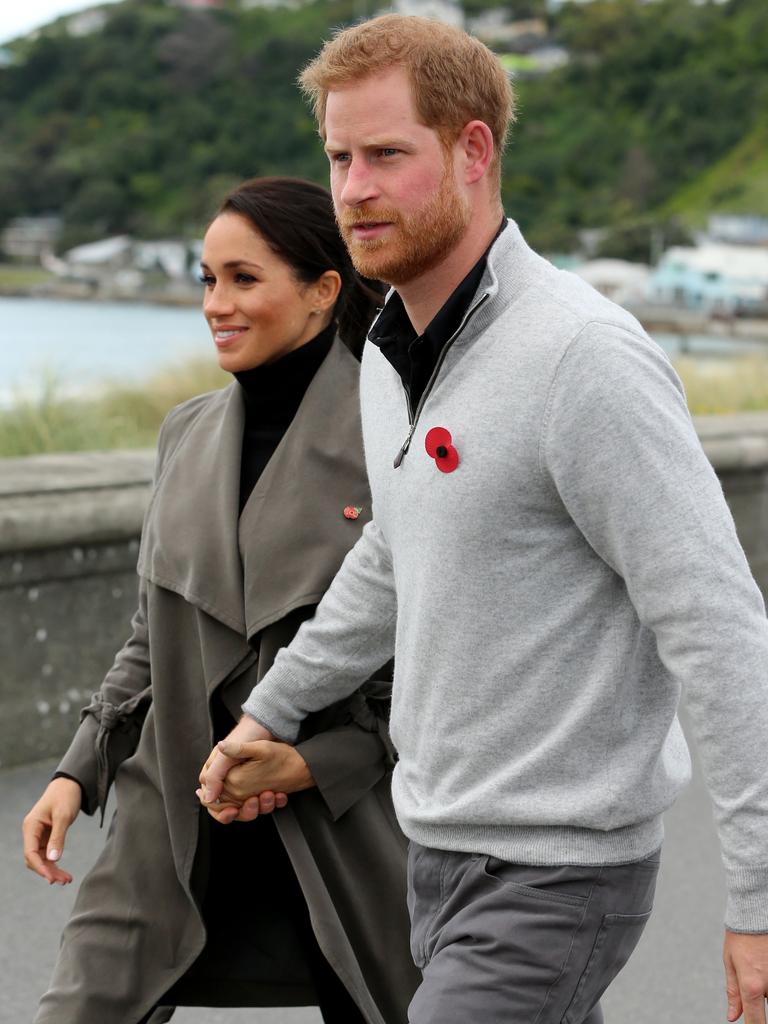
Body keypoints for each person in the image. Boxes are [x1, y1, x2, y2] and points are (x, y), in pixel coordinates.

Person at [199, 15, 768, 1024]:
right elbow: (395, 552)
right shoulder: (386, 349)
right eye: (338, 156)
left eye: (386, 154)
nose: (354, 187)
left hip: (558, 873)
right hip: (442, 853)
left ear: (473, 150)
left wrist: (759, 899)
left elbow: (718, 625)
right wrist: (271, 710)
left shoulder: (582, 358)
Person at [22, 176, 420, 1024]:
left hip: (339, 816)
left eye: (243, 279)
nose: (215, 304)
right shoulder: (187, 431)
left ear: (322, 291)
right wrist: (78, 768)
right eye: (207, 279)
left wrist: (315, 763)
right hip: (172, 801)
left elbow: (438, 656)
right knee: (83, 1005)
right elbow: (154, 631)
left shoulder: (399, 435)